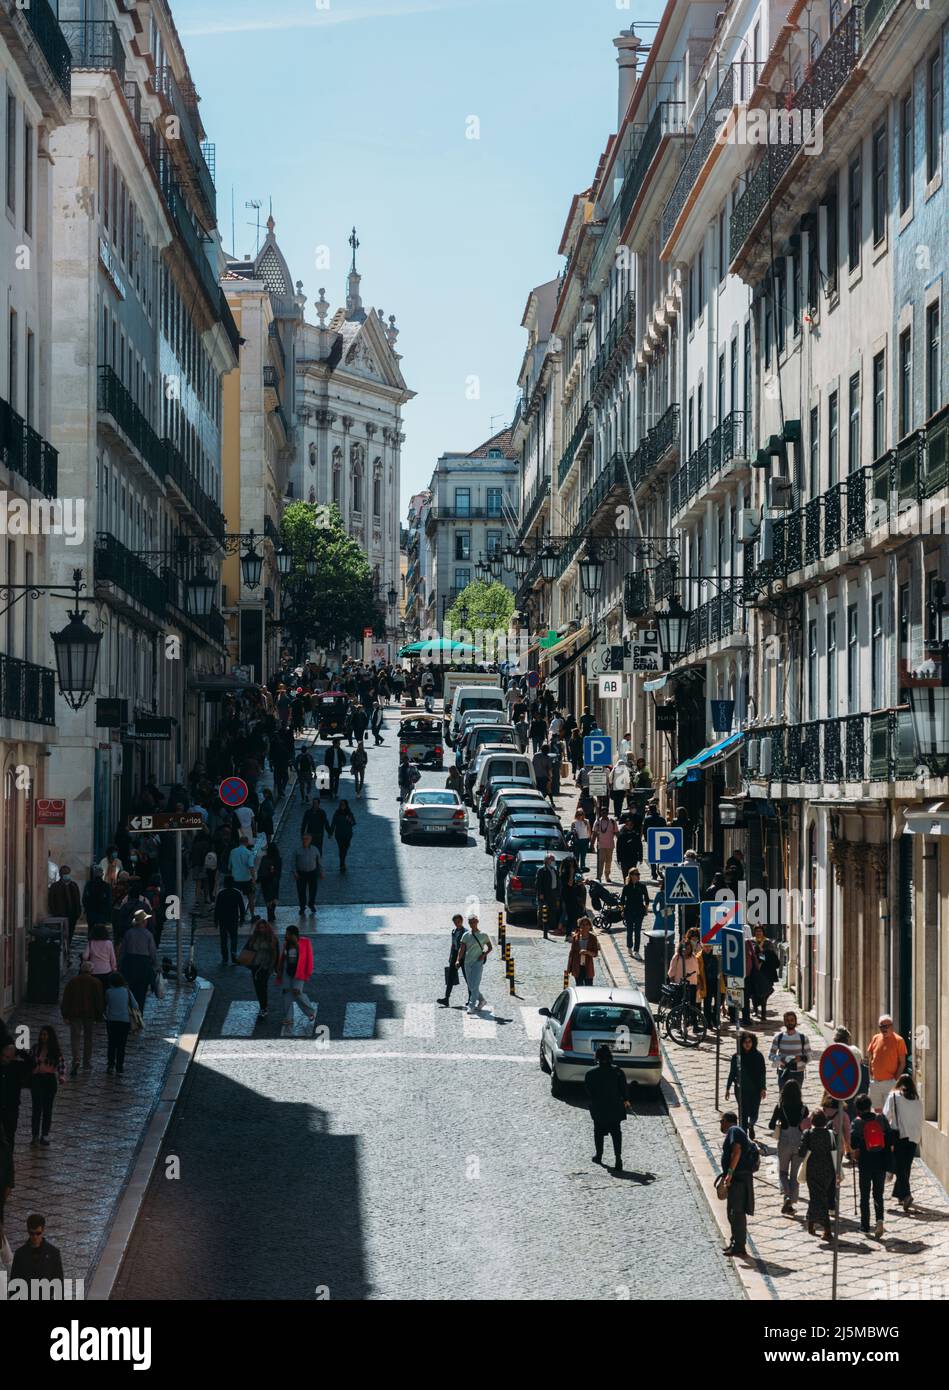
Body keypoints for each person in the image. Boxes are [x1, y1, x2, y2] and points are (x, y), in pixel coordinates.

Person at [851, 1093, 895, 1237]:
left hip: (865, 1162)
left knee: (864, 1195)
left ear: (858, 1108)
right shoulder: (880, 1118)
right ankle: (879, 1220)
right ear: (870, 1105)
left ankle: (865, 1225)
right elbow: (890, 1137)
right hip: (880, 1161)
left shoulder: (857, 1123)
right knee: (878, 1194)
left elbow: (853, 1143)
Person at [584, 1044, 631, 1171]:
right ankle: (618, 1159)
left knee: (598, 1132)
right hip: (615, 1107)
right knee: (616, 1133)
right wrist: (626, 1100)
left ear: (597, 1057)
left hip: (599, 1108)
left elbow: (589, 1091)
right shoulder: (618, 1071)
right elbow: (623, 1089)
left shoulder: (590, 1073)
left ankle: (599, 1156)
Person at [768, 1077, 810, 1215]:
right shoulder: (804, 1109)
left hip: (784, 1142)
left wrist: (778, 1124)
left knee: (782, 1172)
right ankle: (790, 1203)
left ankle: (786, 1196)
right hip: (799, 1143)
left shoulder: (780, 1107)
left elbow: (771, 1125)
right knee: (795, 1175)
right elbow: (807, 1127)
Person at [884, 1073, 923, 1212]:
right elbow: (920, 1118)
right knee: (905, 1166)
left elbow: (886, 1115)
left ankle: (906, 1195)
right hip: (914, 1136)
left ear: (899, 1084)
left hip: (900, 1136)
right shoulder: (917, 1099)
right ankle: (900, 1195)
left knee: (900, 1167)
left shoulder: (894, 1096)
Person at [719, 1112, 756, 1258]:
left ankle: (739, 1247)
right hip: (737, 1178)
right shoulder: (735, 1131)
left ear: (727, 1121)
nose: (720, 1124)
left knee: (737, 1213)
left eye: (721, 1121)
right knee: (731, 1212)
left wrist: (729, 1173)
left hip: (739, 1178)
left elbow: (737, 1152)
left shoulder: (734, 1130)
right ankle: (735, 1242)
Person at [60, 962, 104, 1077]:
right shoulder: (96, 982)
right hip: (89, 1014)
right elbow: (99, 1001)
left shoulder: (73, 981)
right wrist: (99, 1016)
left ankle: (76, 1059)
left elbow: (66, 999)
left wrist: (65, 1015)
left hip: (75, 1014)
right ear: (92, 971)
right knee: (88, 1039)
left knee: (75, 1038)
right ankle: (86, 1063)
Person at [798, 1110, 836, 1240]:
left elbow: (801, 1152)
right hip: (828, 1170)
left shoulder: (808, 1133)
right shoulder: (830, 1134)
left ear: (812, 1121)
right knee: (820, 1195)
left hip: (813, 1169)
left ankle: (827, 1229)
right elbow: (835, 1151)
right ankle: (811, 1224)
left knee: (816, 1197)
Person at [276, 925, 318, 1033]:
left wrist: (308, 972)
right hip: (287, 971)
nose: (285, 936)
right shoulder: (286, 944)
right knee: (286, 992)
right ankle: (288, 1018)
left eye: (287, 934)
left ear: (293, 935)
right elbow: (283, 958)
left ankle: (311, 1012)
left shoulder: (305, 942)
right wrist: (279, 970)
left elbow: (309, 958)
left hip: (299, 971)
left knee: (297, 992)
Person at [726, 1031, 767, 1140]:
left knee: (754, 1113)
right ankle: (743, 1137)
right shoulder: (736, 1057)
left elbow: (762, 1073)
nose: (747, 1044)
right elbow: (732, 1073)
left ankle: (751, 1125)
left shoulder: (758, 1056)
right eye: (745, 1042)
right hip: (741, 1090)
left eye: (749, 1042)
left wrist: (763, 1088)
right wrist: (727, 1088)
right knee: (743, 1114)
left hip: (755, 1090)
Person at [28, 1026, 64, 1147]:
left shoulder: (55, 1050)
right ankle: (35, 1135)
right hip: (37, 1080)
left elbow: (61, 1064)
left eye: (45, 1034)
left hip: (49, 1080)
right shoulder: (35, 1048)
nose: (43, 1037)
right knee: (36, 1108)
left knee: (47, 1109)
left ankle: (44, 1135)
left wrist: (61, 1076)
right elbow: (29, 1062)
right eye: (42, 1034)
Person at [10, 1215, 65, 1294]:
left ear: (43, 1230)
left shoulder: (53, 1253)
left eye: (38, 1233)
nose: (35, 1237)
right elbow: (14, 1282)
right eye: (32, 1233)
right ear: (28, 1231)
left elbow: (59, 1282)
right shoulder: (20, 1254)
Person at [118, 909, 158, 1013]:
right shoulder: (148, 935)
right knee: (141, 993)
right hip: (143, 965)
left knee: (130, 991)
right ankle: (139, 1014)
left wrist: (119, 966)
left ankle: (131, 1013)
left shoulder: (128, 933)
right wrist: (155, 966)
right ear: (144, 922)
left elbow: (122, 952)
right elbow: (153, 953)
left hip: (129, 965)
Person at [866, 1015, 908, 1111]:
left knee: (889, 1111)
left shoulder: (899, 1040)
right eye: (881, 1026)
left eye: (886, 1026)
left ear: (892, 1026)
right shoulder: (875, 1038)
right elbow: (871, 1057)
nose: (883, 1029)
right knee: (877, 1110)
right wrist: (870, 1076)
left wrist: (895, 1080)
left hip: (889, 1082)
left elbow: (902, 1063)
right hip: (875, 1082)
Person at [245, 917, 280, 1020]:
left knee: (262, 986)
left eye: (263, 928)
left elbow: (276, 953)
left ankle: (264, 1007)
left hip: (265, 967)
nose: (261, 930)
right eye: (259, 928)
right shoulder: (253, 938)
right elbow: (247, 949)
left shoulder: (272, 939)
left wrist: (275, 967)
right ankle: (262, 1006)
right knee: (257, 987)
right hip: (255, 966)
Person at [456, 915, 492, 1015]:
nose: (472, 924)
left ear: (477, 922)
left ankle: (471, 1006)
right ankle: (482, 1000)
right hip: (467, 962)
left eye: (474, 922)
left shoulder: (484, 935)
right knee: (471, 985)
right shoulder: (466, 935)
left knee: (475, 984)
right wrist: (458, 960)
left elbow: (490, 947)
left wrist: (483, 955)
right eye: (470, 922)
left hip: (478, 963)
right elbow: (461, 949)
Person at [768, 1011, 811, 1090]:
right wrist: (780, 1059)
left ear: (795, 1021)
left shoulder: (803, 1038)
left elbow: (809, 1056)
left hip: (798, 1073)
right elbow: (770, 1056)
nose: (790, 1022)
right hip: (783, 1072)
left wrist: (800, 1058)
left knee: (796, 1096)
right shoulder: (778, 1038)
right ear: (784, 1022)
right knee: (783, 1096)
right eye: (787, 1020)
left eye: (792, 1020)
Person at [0, 1042, 31, 1144]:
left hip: (11, 1108)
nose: (4, 1059)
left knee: (10, 1136)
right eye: (3, 1056)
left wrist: (20, 1051)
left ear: (13, 1058)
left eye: (7, 1057)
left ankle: (8, 1154)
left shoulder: (17, 1067)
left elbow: (32, 1063)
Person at [103, 972, 134, 1075]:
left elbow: (106, 1003)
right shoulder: (127, 991)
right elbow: (135, 1005)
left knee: (111, 1043)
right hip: (124, 1021)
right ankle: (119, 1067)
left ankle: (110, 1065)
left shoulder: (108, 992)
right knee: (122, 1045)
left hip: (111, 1020)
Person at [750, 926, 780, 1022]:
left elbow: (770, 955)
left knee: (765, 991)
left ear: (763, 932)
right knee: (754, 991)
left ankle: (763, 1013)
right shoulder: (751, 942)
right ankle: (755, 1009)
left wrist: (761, 961)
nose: (758, 933)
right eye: (757, 931)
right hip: (754, 970)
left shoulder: (768, 942)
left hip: (766, 971)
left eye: (760, 931)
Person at [214, 874, 246, 965]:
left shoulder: (221, 893)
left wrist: (216, 920)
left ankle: (225, 958)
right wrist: (242, 919)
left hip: (223, 919)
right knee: (234, 939)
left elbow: (217, 908)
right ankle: (233, 956)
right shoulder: (237, 893)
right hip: (233, 919)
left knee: (223, 939)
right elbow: (242, 907)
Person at [48, 866, 82, 949]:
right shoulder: (55, 886)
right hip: (60, 915)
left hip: (72, 915)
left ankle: (67, 948)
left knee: (70, 933)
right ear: (60, 874)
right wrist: (55, 912)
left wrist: (78, 912)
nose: (66, 875)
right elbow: (51, 901)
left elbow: (77, 899)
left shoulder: (73, 885)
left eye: (67, 873)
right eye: (64, 873)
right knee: (61, 935)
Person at [437, 914, 467, 1007]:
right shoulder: (454, 931)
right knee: (450, 977)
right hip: (455, 955)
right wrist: (451, 957)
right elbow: (453, 944)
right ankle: (446, 999)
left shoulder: (466, 932)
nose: (456, 924)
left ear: (461, 921)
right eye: (455, 922)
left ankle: (471, 999)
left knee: (467, 978)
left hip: (463, 956)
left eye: (458, 922)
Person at [619, 868, 649, 957]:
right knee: (629, 931)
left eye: (638, 874)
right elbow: (622, 900)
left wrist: (646, 909)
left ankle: (636, 950)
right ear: (631, 875)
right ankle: (629, 947)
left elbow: (647, 899)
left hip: (639, 911)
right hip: (629, 911)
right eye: (636, 874)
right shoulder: (626, 887)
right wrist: (622, 910)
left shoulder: (642, 886)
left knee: (637, 932)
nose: (638, 876)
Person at [293, 833, 323, 914]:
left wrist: (321, 871)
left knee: (313, 890)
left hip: (312, 873)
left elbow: (319, 862)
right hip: (301, 873)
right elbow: (293, 862)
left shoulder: (315, 850)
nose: (305, 841)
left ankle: (311, 904)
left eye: (307, 839)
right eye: (303, 839)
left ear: (310, 840)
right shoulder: (297, 850)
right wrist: (295, 872)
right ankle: (302, 907)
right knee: (301, 891)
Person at [667, 936, 699, 1009]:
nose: (686, 950)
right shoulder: (677, 957)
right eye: (685, 948)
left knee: (691, 1006)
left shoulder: (693, 957)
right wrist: (674, 985)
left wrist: (698, 983)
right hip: (679, 985)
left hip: (692, 985)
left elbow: (697, 971)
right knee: (678, 1006)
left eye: (688, 949)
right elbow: (671, 972)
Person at [535, 853, 562, 940]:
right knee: (543, 910)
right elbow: (538, 883)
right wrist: (540, 893)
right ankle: (542, 926)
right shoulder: (541, 870)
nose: (553, 861)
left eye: (553, 859)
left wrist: (558, 892)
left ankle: (551, 926)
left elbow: (557, 881)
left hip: (553, 893)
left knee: (553, 909)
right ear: (547, 860)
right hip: (545, 893)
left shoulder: (554, 869)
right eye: (552, 859)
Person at [228, 837, 257, 917]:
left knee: (234, 898)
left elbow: (229, 867)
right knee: (250, 897)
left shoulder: (232, 852)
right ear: (246, 842)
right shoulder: (249, 853)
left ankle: (235, 914)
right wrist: (254, 879)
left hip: (235, 878)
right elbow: (251, 866)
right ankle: (252, 915)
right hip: (246, 878)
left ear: (239, 842)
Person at [568, 916, 599, 986]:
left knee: (589, 987)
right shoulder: (575, 937)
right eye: (583, 925)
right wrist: (569, 968)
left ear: (589, 926)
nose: (585, 927)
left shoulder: (593, 938)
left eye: (586, 925)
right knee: (579, 986)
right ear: (580, 926)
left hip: (588, 967)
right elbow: (571, 953)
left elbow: (595, 953)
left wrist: (587, 952)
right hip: (577, 966)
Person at [82, 866, 113, 931]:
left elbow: (84, 898)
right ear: (102, 874)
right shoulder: (106, 885)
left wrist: (86, 908)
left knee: (91, 929)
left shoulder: (89, 884)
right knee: (100, 930)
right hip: (102, 912)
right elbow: (109, 900)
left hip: (91, 911)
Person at [257, 844, 282, 923]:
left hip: (265, 881)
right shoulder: (278, 859)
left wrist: (258, 878)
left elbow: (260, 869)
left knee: (267, 897)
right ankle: (272, 912)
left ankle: (269, 912)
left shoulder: (264, 858)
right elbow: (279, 871)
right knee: (274, 897)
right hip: (274, 880)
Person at [698, 940, 721, 1028]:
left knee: (719, 1001)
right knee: (707, 1002)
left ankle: (714, 1018)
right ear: (702, 946)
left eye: (709, 946)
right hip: (706, 982)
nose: (707, 948)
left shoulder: (716, 954)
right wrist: (699, 982)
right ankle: (708, 1021)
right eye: (705, 946)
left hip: (716, 981)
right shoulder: (699, 956)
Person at [591, 809, 618, 882]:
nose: (604, 814)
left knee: (608, 861)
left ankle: (607, 876)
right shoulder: (597, 822)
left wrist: (621, 842)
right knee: (601, 861)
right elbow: (594, 833)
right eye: (602, 813)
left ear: (607, 813)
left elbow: (616, 832)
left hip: (610, 845)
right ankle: (599, 876)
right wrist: (592, 844)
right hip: (601, 845)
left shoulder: (612, 821)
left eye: (605, 813)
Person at [331, 800, 356, 872]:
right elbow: (333, 823)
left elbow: (353, 823)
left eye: (343, 804)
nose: (342, 806)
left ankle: (342, 862)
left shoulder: (349, 813)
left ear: (346, 805)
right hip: (339, 834)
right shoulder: (337, 813)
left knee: (345, 848)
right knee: (341, 848)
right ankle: (342, 864)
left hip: (348, 834)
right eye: (341, 804)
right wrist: (330, 833)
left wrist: (349, 819)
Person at [609, 755, 632, 819]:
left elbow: (610, 778)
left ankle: (616, 814)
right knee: (620, 802)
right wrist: (627, 789)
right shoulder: (625, 770)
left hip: (615, 789)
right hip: (622, 789)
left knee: (615, 802)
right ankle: (618, 814)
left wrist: (611, 783)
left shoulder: (614, 769)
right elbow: (628, 780)